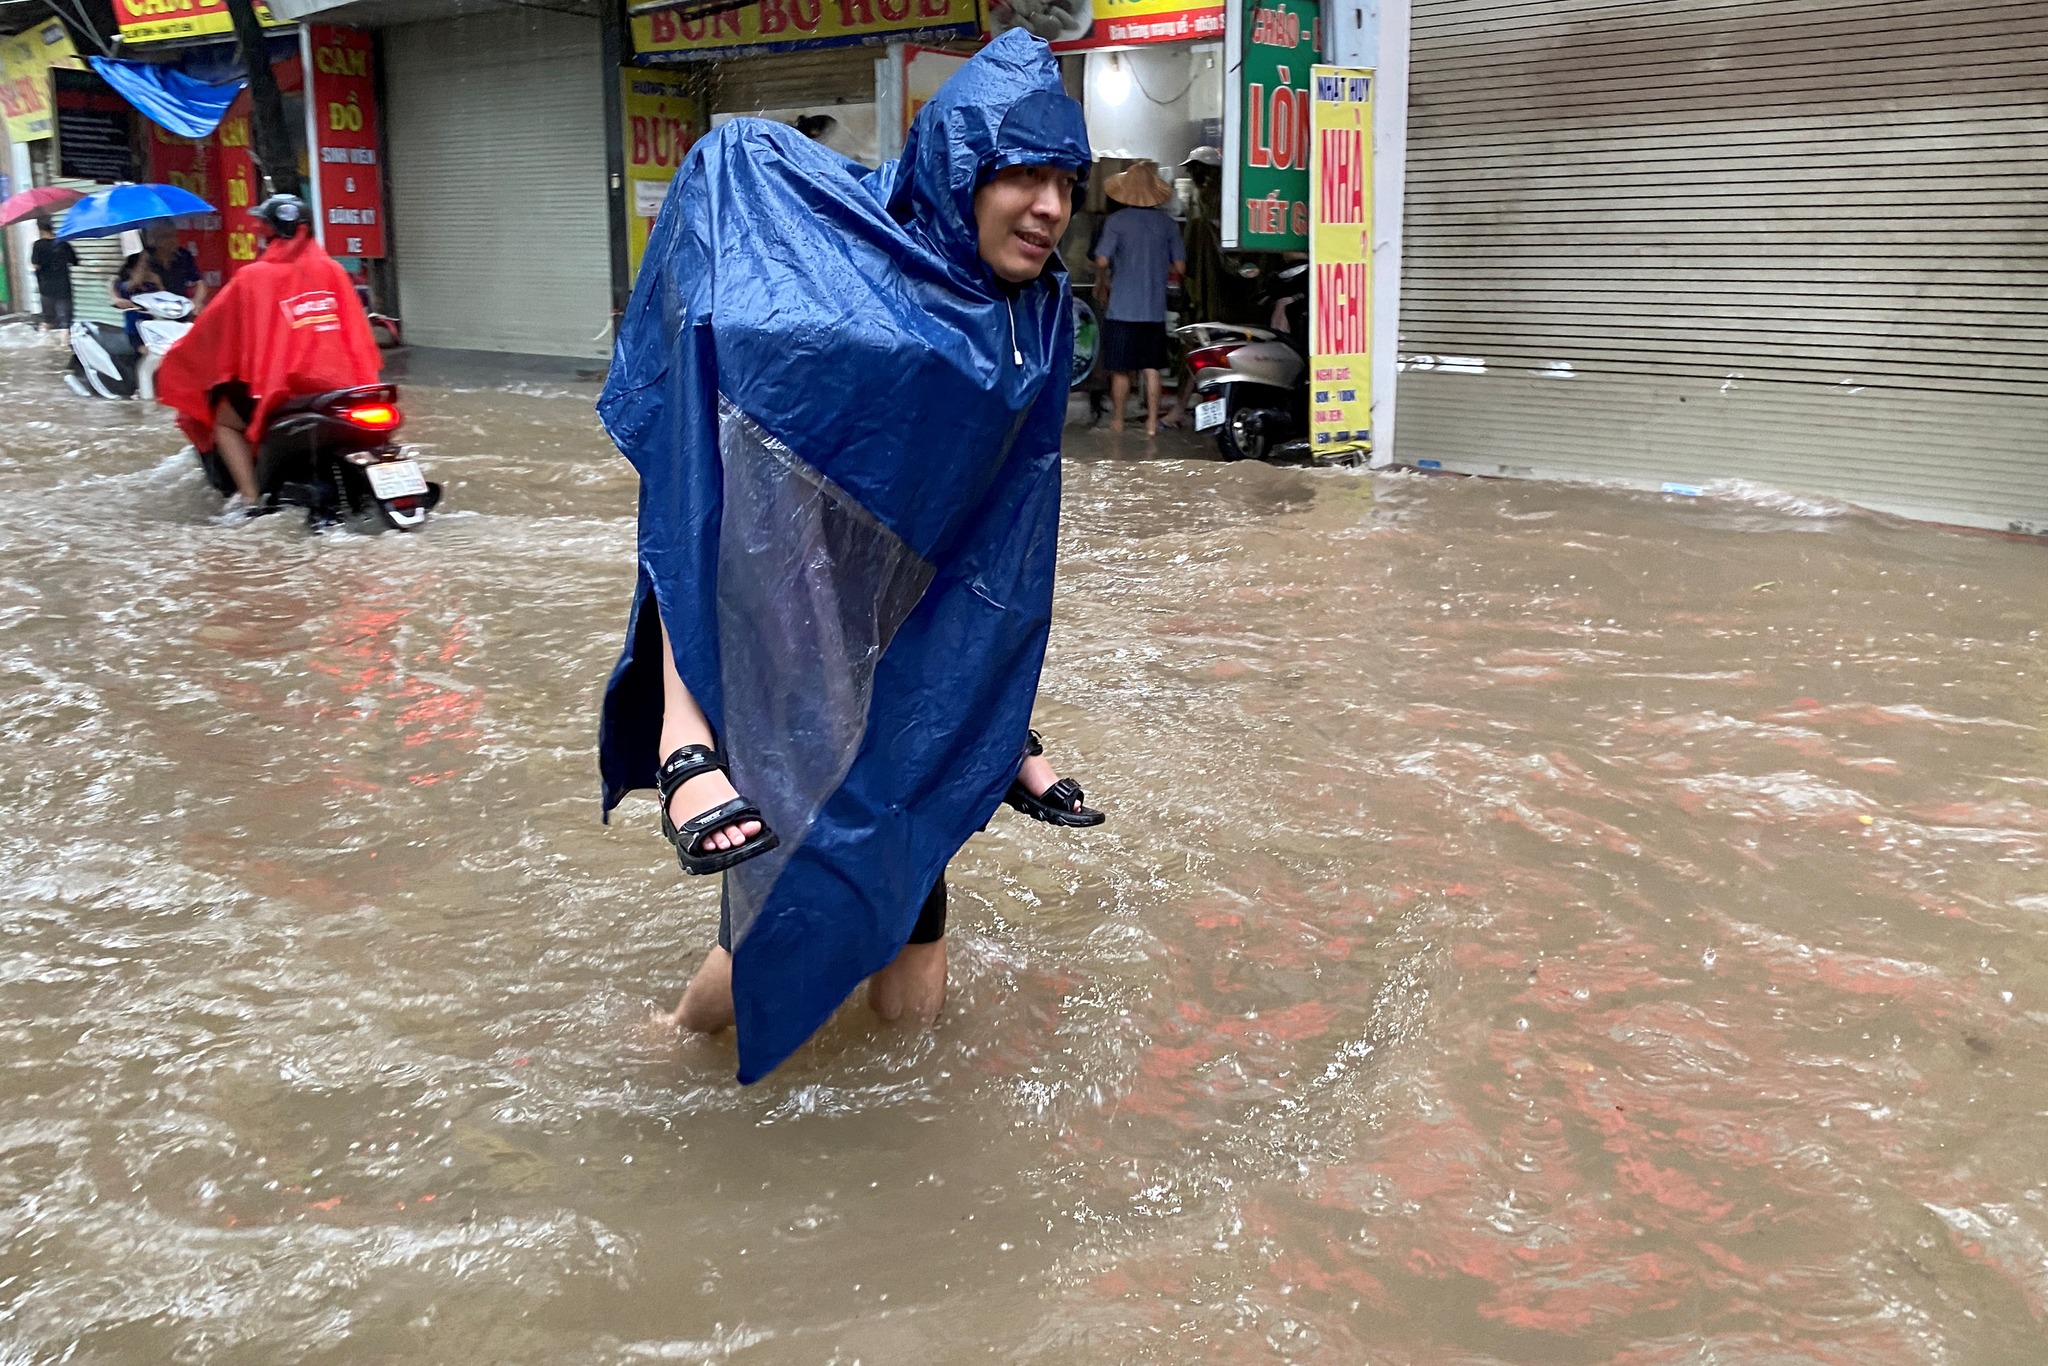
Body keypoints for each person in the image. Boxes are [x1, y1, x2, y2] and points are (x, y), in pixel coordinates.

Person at [597, 30, 1101, 1083]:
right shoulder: (835, 295)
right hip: (793, 644)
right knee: (808, 900)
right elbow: (709, 502)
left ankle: (903, 1112)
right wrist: (700, 732)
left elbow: (998, 543)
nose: (1049, 206)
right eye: (1022, 173)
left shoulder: (1033, 324)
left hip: (906, 669)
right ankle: (667, 1045)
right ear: (960, 172)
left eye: (1066, 181)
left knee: (909, 897)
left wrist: (999, 726)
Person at [154, 195, 381, 512]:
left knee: (224, 422)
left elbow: (212, 327)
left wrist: (179, 354)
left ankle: (250, 500)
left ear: (269, 232)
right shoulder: (334, 270)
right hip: (345, 385)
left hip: (285, 388)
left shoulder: (253, 277)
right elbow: (356, 332)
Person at [1091, 161, 1184, 436]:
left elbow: (1101, 259)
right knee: (1151, 368)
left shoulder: (1116, 222)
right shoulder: (1168, 224)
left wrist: (1101, 280)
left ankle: (1118, 422)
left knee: (1120, 369)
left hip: (1121, 309)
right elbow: (1180, 267)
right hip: (1153, 311)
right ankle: (1152, 424)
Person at [113, 222, 208, 345]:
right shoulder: (138, 259)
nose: (172, 240)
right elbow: (123, 282)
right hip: (144, 324)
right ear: (154, 239)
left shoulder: (183, 256)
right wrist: (143, 260)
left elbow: (199, 282)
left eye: (174, 235)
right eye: (166, 236)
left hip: (176, 316)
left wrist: (197, 302)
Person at [29, 220, 76, 335]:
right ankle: (64, 342)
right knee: (66, 320)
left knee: (47, 318)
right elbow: (74, 261)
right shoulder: (64, 244)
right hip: (63, 286)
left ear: (41, 231)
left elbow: (35, 265)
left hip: (46, 287)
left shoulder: (38, 245)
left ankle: (45, 340)